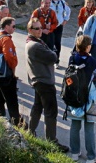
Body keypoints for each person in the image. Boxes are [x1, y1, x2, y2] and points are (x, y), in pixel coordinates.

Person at [25, 17, 69, 152]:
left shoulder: (34, 42)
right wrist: (53, 52)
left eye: (40, 27)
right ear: (30, 30)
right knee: (51, 112)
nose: (40, 30)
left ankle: (31, 132)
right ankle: (52, 142)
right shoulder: (35, 45)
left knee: (37, 107)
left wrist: (52, 51)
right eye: (36, 29)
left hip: (39, 81)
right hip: (44, 82)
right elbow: (53, 57)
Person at [68, 35, 96, 163]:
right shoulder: (93, 62)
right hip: (89, 97)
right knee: (89, 127)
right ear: (88, 47)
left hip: (74, 96)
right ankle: (91, 157)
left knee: (75, 125)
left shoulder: (72, 58)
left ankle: (74, 152)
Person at [0, 17, 25, 127]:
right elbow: (10, 57)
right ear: (6, 26)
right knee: (11, 100)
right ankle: (17, 123)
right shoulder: (6, 39)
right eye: (13, 26)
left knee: (0, 98)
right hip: (6, 74)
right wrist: (12, 70)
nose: (15, 28)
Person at [50, 0, 71, 68]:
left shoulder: (62, 2)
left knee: (57, 43)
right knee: (49, 42)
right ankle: (49, 59)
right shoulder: (49, 2)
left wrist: (65, 20)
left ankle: (56, 61)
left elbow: (68, 11)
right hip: (50, 26)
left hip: (59, 26)